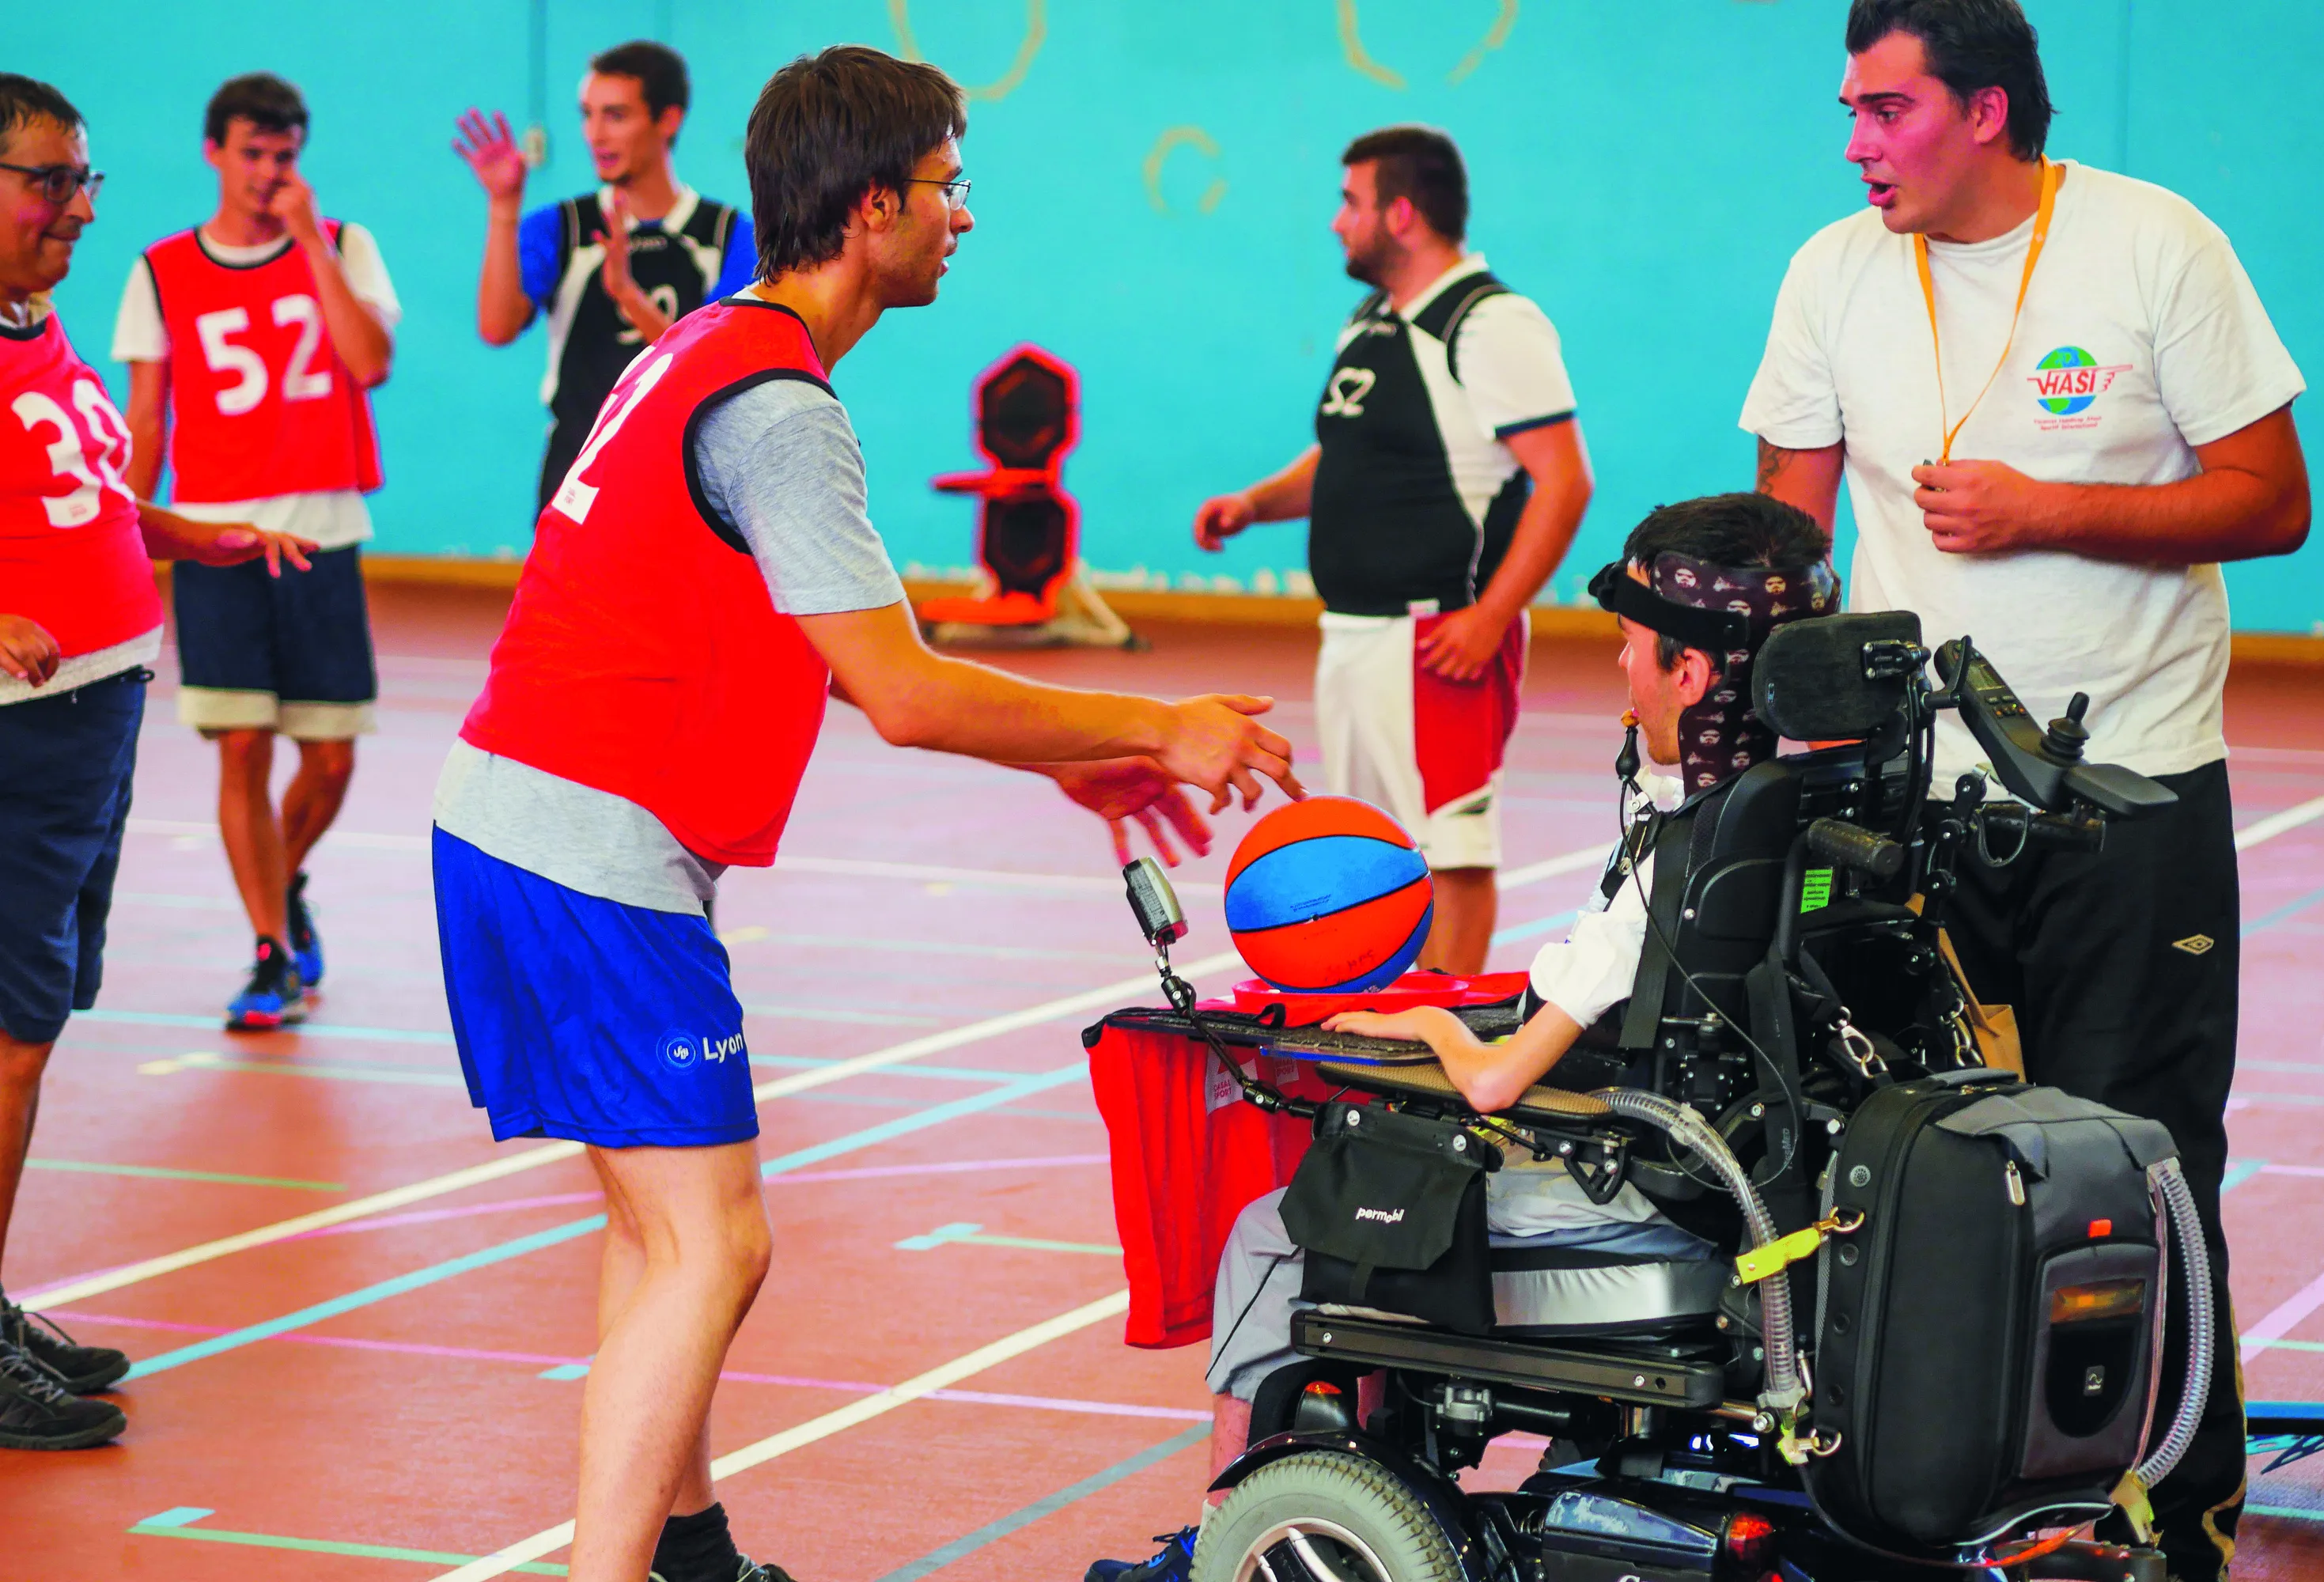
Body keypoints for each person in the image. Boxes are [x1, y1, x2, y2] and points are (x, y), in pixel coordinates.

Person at [430, 45, 1300, 1582]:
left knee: (655, 1230)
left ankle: (686, 1549)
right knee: (717, 1242)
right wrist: (1160, 723)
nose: (966, 219)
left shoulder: (716, 346)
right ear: (873, 204)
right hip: (587, 844)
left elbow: (804, 642)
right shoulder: (777, 404)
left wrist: (1063, 754)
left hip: (508, 820)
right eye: (952, 189)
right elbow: (903, 689)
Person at [1739, 3, 2310, 1576]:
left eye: (1886, 107)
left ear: (1985, 110)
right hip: (1911, 802)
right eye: (1849, 107)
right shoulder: (1829, 273)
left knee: (2139, 1157)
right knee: (1903, 1161)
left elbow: (2275, 501)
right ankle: (1935, 1497)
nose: (1855, 139)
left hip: (2126, 797)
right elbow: (1791, 549)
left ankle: (2168, 1511)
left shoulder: (2151, 245)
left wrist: (2049, 509)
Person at [1086, 494, 1834, 1582]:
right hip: (1762, 1193)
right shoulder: (1816, 811)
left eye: (1629, 648)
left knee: (1277, 1228)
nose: (1620, 672)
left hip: (1649, 1206)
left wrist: (1427, 1019)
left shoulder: (1681, 858)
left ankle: (1225, 1541)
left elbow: (1493, 1084)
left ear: (1691, 674)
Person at [0, 72, 314, 1449]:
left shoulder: (36, 325)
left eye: (84, 181)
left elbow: (92, 502)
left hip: (97, 723)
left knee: (38, 1024)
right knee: (9, 1045)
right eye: (46, 181)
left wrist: (197, 536)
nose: (74, 205)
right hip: (25, 737)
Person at [1193, 126, 1592, 975]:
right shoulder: (1371, 320)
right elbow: (1347, 457)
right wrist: (1255, 504)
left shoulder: (1490, 325)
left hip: (1435, 637)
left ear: (1402, 214)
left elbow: (1564, 482)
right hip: (1353, 635)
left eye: (1351, 202)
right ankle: (1386, 1035)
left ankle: (1438, 1047)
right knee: (1375, 852)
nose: (1337, 222)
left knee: (1450, 851)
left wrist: (1491, 617)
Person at [115, 71, 398, 1030]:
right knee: (241, 741)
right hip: (219, 540)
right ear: (215, 152)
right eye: (253, 154)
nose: (270, 171)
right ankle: (270, 949)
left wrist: (311, 238)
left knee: (329, 758)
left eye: (285, 155)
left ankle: (284, 878)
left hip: (322, 531)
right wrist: (126, 537)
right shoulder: (160, 269)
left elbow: (368, 363)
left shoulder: (345, 245)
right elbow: (146, 418)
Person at [455, 40, 760, 512]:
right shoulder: (560, 227)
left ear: (668, 120)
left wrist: (629, 297)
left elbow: (711, 371)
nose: (595, 133)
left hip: (688, 476)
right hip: (577, 473)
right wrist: (502, 207)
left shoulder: (729, 236)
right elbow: (496, 328)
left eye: (615, 115)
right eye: (587, 114)